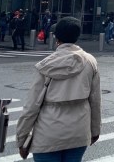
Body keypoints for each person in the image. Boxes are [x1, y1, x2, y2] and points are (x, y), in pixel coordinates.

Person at [16, 17, 101, 161]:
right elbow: (95, 101)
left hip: (48, 132)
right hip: (79, 131)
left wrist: (22, 138)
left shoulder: (45, 65)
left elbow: (31, 106)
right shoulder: (90, 62)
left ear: (56, 37)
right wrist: (95, 130)